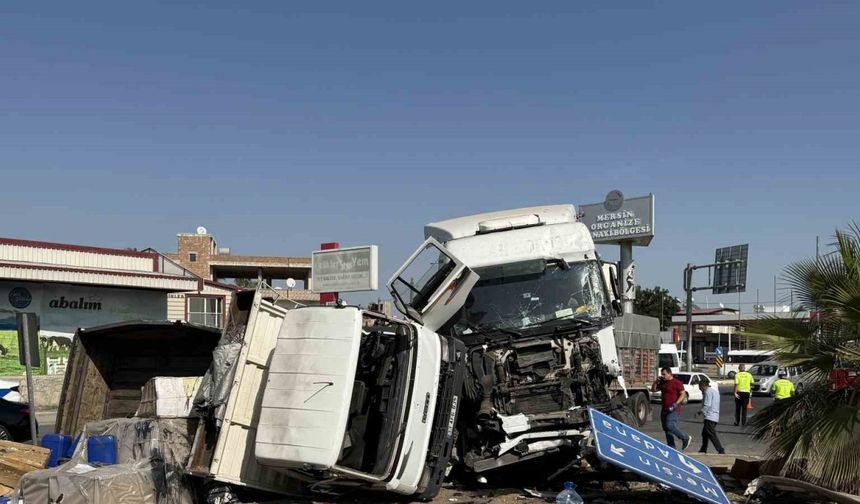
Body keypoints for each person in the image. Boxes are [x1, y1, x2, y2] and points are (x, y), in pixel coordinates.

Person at [652, 367, 692, 450]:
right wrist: (656, 382)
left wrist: (676, 404)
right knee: (666, 429)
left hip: (674, 409)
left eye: (664, 374)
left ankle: (685, 438)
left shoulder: (676, 383)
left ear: (670, 373)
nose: (662, 376)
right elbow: (653, 390)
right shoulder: (663, 382)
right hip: (664, 409)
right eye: (662, 374)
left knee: (670, 425)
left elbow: (683, 394)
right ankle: (671, 447)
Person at [696, 377, 725, 454]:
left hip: (710, 416)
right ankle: (703, 448)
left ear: (703, 386)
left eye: (700, 387)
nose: (700, 389)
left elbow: (707, 405)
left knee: (711, 434)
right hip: (715, 416)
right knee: (705, 433)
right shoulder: (715, 391)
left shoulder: (707, 392)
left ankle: (720, 450)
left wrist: (699, 412)